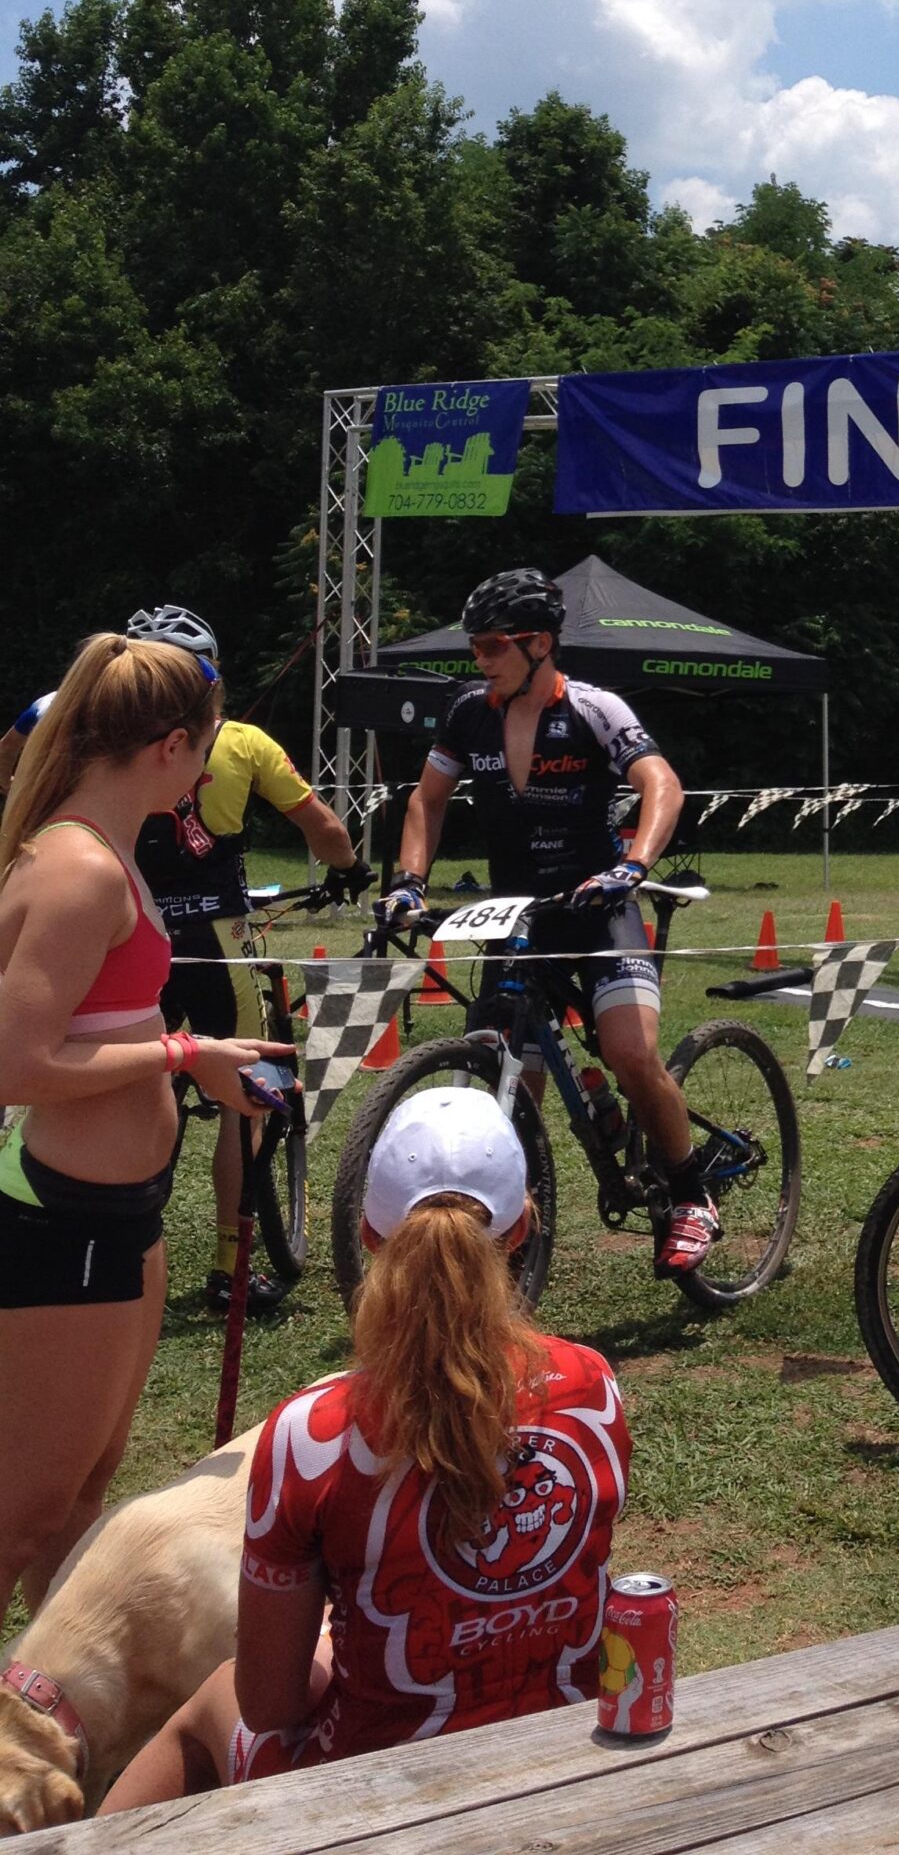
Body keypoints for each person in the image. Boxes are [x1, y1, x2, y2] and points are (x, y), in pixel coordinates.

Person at [101, 1087, 631, 1802]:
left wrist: (328, 1642)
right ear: (523, 1224)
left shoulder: (311, 1435)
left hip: (381, 1790)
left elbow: (270, 1705)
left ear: (372, 1236)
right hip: (562, 1750)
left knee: (214, 1704)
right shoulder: (594, 1388)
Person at [0, 635, 295, 1621]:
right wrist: (184, 1058)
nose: (213, 767)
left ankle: (44, 1725)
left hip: (120, 1210)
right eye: (208, 746)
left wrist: (195, 1054)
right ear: (172, 743)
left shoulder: (107, 846)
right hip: (63, 1217)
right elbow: (16, 1063)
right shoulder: (79, 865)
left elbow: (96, 1025)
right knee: (26, 1517)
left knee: (81, 1497)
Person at [381, 568, 712, 1275]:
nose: (479, 660)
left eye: (492, 646)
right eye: (474, 647)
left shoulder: (594, 709)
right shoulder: (470, 713)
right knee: (510, 1079)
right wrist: (410, 881)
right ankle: (510, 1226)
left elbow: (662, 783)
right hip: (518, 915)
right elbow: (427, 800)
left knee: (629, 1053)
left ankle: (691, 1195)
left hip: (597, 910)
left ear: (539, 643)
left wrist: (634, 865)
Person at [123, 606, 359, 1318]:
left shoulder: (105, 741)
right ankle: (231, 1267)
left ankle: (130, 1245)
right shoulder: (244, 741)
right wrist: (348, 867)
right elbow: (322, 827)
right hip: (222, 940)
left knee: (137, 1084)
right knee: (246, 1099)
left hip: (135, 936)